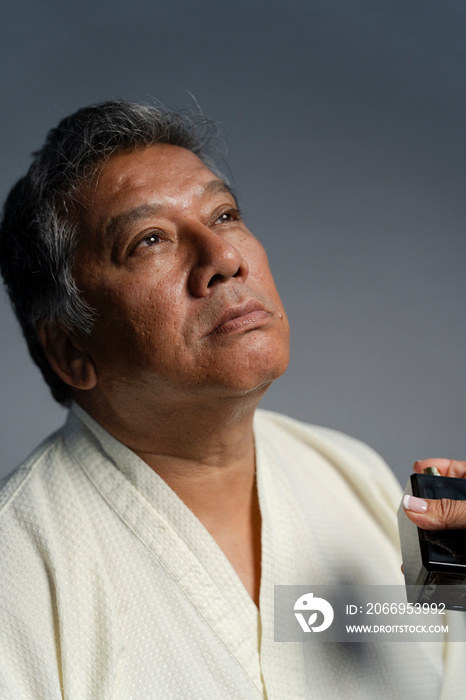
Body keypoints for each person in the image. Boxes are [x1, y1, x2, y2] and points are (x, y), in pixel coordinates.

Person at [0, 100, 464, 699]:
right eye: (148, 241)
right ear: (70, 350)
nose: (224, 258)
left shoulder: (356, 481)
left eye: (223, 214)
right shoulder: (19, 571)